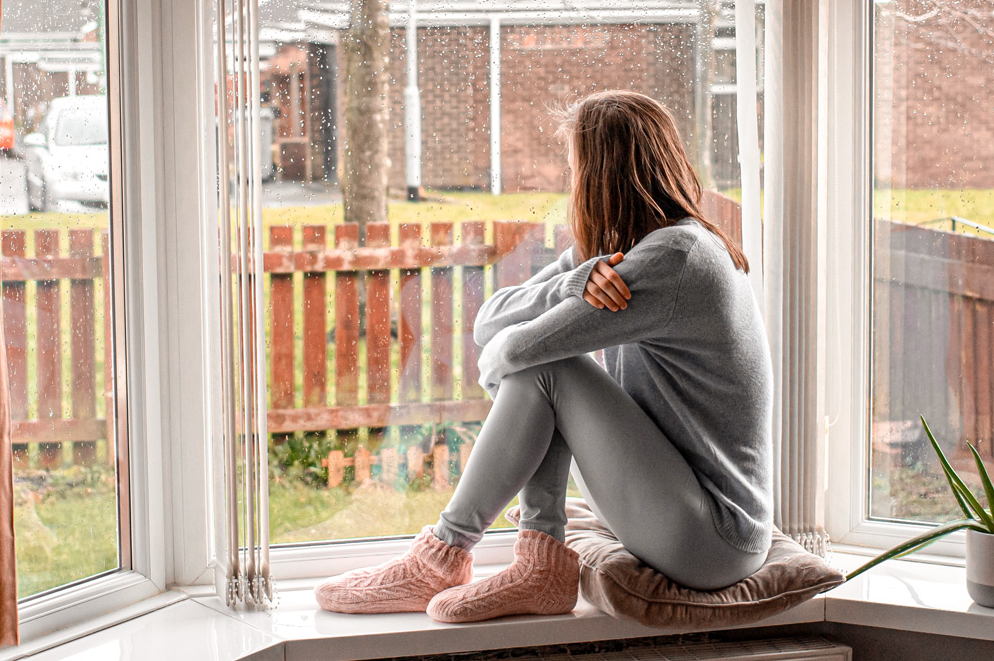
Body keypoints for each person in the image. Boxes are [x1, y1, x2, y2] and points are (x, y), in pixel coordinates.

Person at [314, 90, 774, 623]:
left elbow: (517, 350)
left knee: (549, 368)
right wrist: (571, 282)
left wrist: (500, 361)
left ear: (601, 174)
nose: (571, 182)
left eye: (575, 167)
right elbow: (490, 319)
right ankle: (533, 562)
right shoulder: (626, 253)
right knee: (545, 368)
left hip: (713, 536)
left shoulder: (674, 261)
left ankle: (445, 554)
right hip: (677, 507)